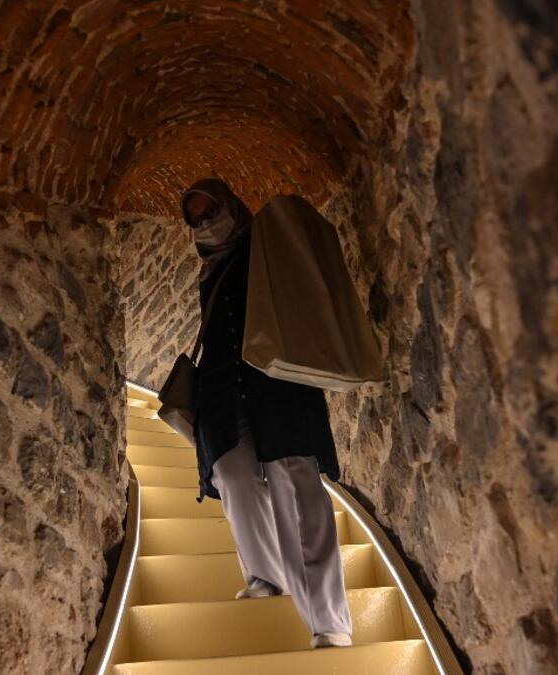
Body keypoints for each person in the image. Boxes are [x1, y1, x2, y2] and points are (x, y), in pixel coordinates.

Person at [179, 177, 354, 649]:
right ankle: (265, 575)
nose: (204, 225)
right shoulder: (209, 270)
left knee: (294, 482)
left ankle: (328, 619)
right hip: (222, 392)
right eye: (195, 219)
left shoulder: (270, 245)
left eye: (210, 212)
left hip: (277, 384)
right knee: (233, 477)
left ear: (232, 207)